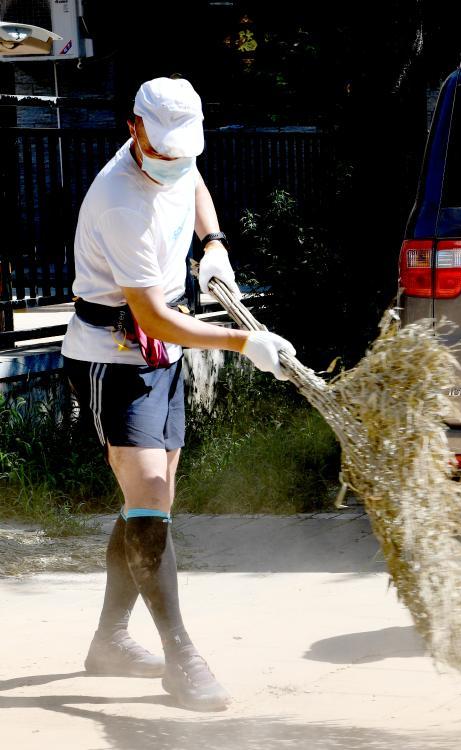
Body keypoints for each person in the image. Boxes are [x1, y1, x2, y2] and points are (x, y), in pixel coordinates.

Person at [60, 77, 295, 711]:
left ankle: (109, 640)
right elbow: (155, 318)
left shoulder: (175, 159)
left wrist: (213, 243)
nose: (174, 162)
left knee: (151, 500)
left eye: (182, 151)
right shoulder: (119, 200)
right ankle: (180, 655)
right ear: (134, 128)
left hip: (160, 350)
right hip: (117, 353)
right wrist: (245, 344)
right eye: (164, 151)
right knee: (150, 495)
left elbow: (193, 183)